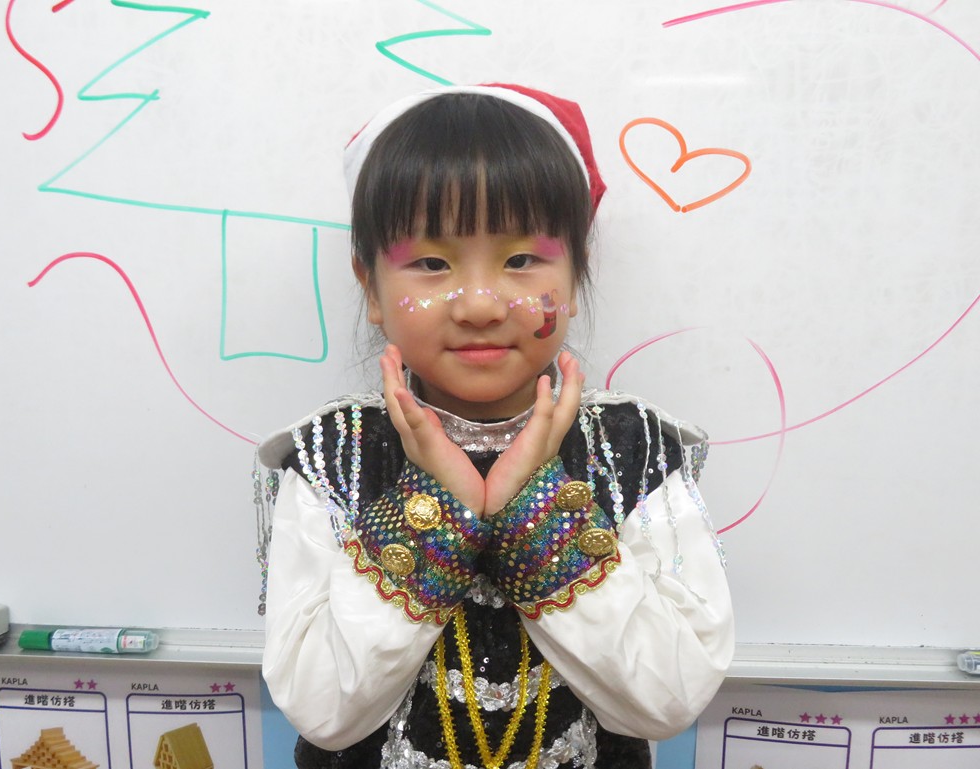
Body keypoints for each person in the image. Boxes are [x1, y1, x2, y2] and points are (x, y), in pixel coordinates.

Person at [255, 84, 734, 769]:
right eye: (431, 263)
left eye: (520, 260)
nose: (479, 305)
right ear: (370, 287)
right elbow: (323, 708)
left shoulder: (634, 449)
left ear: (575, 276)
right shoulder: (332, 457)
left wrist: (536, 503)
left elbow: (666, 698)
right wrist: (433, 507)